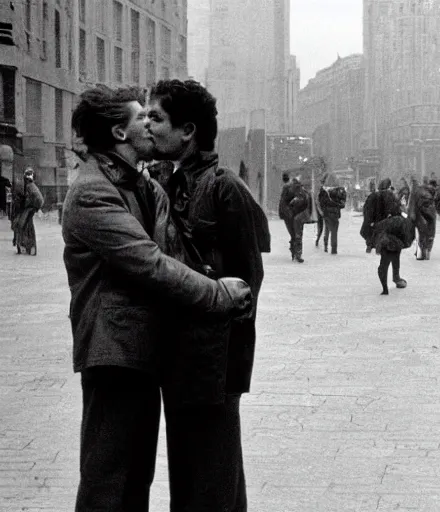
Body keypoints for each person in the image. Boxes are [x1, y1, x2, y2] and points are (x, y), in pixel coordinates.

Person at [65, 85, 254, 511]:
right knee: (108, 480)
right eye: (142, 119)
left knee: (135, 480)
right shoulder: (93, 192)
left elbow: (178, 248)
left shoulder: (142, 183)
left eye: (155, 117)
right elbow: (152, 263)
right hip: (112, 353)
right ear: (119, 133)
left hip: (145, 354)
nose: (149, 125)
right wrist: (218, 292)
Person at [146, 79, 271, 510]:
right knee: (192, 470)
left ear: (188, 131)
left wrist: (227, 360)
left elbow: (248, 280)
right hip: (179, 353)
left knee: (212, 472)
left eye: (156, 117)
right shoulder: (167, 182)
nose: (147, 125)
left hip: (213, 359)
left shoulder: (224, 188)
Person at [370, 180, 411, 293]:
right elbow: (401, 212)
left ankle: (386, 286)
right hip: (393, 231)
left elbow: (370, 215)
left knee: (385, 259)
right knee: (395, 255)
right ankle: (396, 278)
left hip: (382, 232)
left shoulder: (376, 198)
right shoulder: (392, 198)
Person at [12, 168, 44, 255]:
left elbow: (39, 199)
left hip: (27, 209)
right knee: (24, 226)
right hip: (25, 209)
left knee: (21, 226)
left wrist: (34, 207)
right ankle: (27, 247)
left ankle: (26, 247)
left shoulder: (30, 185)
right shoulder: (28, 185)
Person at [409, 179, 438, 260]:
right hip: (431, 214)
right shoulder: (431, 191)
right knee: (430, 234)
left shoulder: (417, 191)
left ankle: (422, 253)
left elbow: (413, 205)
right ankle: (427, 251)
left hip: (420, 214)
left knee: (422, 234)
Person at [285, 175, 311, 262]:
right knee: (298, 235)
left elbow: (288, 202)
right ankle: (297, 253)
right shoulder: (302, 191)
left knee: (295, 235)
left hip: (293, 215)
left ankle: (295, 253)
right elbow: (304, 203)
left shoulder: (292, 190)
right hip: (298, 215)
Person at [318, 182, 346, 255]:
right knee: (334, 233)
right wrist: (337, 204)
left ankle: (325, 246)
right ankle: (333, 250)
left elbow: (321, 202)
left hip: (326, 214)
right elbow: (342, 205)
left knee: (327, 229)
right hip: (334, 214)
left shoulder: (325, 191)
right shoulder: (339, 192)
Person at [360, 179, 379, 254]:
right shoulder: (376, 196)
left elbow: (367, 209)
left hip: (371, 218)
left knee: (370, 232)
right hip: (374, 218)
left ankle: (370, 246)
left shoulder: (371, 197)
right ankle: (374, 247)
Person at [278, 172, 294, 254]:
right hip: (294, 212)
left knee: (292, 232)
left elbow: (282, 201)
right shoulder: (293, 186)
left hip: (288, 213)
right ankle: (296, 250)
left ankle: (293, 248)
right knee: (295, 232)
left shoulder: (286, 187)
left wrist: (281, 213)